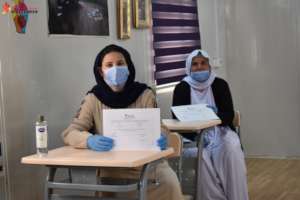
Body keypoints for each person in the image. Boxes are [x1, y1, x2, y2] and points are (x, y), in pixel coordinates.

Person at [62, 44, 184, 200]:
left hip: (148, 167)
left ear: (128, 67)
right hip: (112, 169)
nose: (115, 69)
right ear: (101, 71)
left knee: (170, 183)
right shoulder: (93, 99)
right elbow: (70, 133)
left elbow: (160, 127)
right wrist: (89, 140)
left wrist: (162, 135)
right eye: (109, 65)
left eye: (120, 63)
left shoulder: (145, 94)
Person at [172, 49, 249, 200]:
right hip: (191, 136)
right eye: (195, 64)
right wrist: (196, 134)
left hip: (221, 130)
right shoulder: (181, 87)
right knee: (202, 156)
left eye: (203, 63)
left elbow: (229, 115)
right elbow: (176, 119)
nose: (199, 67)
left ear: (209, 66)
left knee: (232, 149)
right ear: (189, 67)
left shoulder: (220, 84)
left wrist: (215, 116)